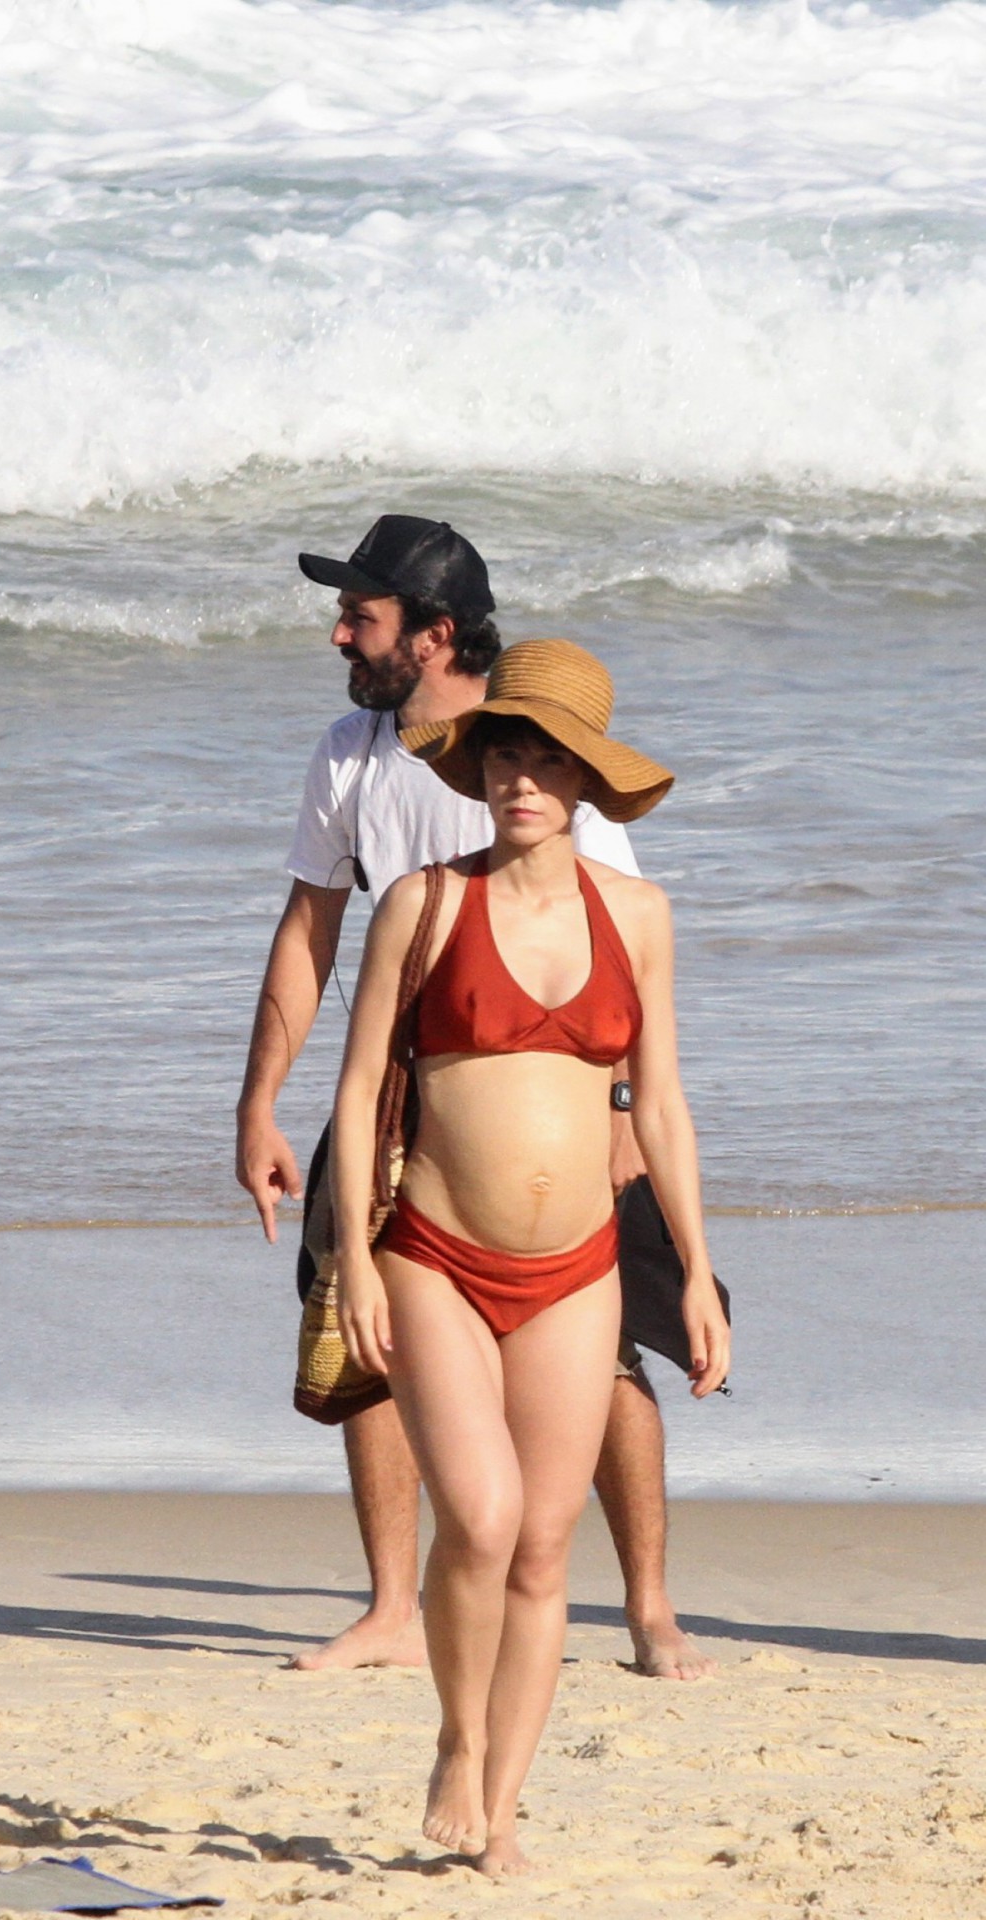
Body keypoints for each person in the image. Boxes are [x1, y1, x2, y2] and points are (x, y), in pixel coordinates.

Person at [236, 515, 713, 1680]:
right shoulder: (348, 753)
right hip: (398, 1089)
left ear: (433, 634)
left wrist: (616, 1119)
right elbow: (308, 931)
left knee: (608, 1353)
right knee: (365, 1339)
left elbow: (612, 956)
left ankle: (647, 1605)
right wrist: (258, 1103)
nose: (338, 635)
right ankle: (390, 1608)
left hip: (561, 1098)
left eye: (360, 616)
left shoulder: (538, 750)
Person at [330, 639, 730, 1874]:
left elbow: (661, 1105)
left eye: (548, 763)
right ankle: (457, 1740)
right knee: (484, 1517)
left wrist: (697, 1271)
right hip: (435, 1256)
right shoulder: (424, 903)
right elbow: (357, 1090)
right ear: (480, 769)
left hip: (578, 1269)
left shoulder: (638, 916)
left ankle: (498, 1811)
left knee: (546, 1543)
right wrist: (355, 1260)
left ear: (586, 781)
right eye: (505, 756)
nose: (521, 781)